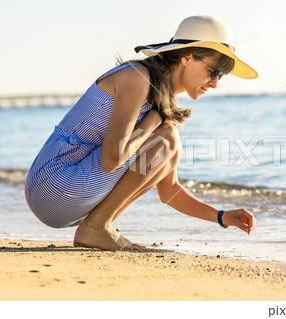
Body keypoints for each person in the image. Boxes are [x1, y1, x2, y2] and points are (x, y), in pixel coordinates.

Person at [25, 15, 257, 251]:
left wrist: (222, 216)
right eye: (213, 71)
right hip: (53, 184)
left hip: (64, 196)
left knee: (169, 141)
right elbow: (111, 160)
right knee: (168, 139)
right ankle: (96, 227)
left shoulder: (161, 98)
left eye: (221, 76)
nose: (215, 83)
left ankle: (98, 225)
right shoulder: (137, 77)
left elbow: (169, 191)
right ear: (187, 57)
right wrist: (154, 119)